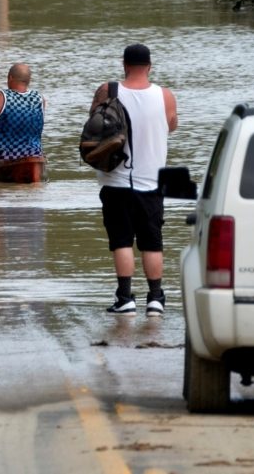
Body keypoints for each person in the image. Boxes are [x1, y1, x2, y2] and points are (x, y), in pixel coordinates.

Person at [91, 43, 178, 317]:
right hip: (152, 183)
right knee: (152, 242)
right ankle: (155, 299)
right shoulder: (165, 96)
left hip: (115, 180)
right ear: (149, 66)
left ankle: (125, 298)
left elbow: (93, 126)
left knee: (122, 242)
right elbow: (172, 125)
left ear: (124, 64)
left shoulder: (108, 90)